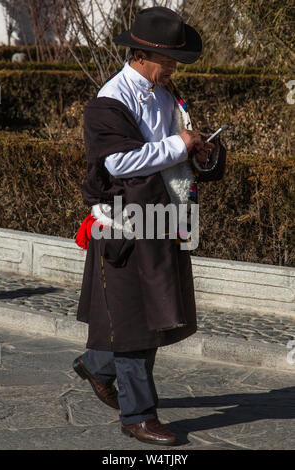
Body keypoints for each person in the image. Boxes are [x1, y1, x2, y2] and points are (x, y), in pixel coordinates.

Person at [74, 6, 226, 446]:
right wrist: (179, 145)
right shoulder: (108, 101)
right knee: (136, 322)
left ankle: (96, 364)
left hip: (161, 219)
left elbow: (173, 151)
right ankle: (137, 414)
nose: (174, 69)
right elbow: (119, 163)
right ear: (140, 55)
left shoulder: (165, 93)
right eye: (169, 61)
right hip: (124, 223)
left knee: (149, 317)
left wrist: (197, 151)